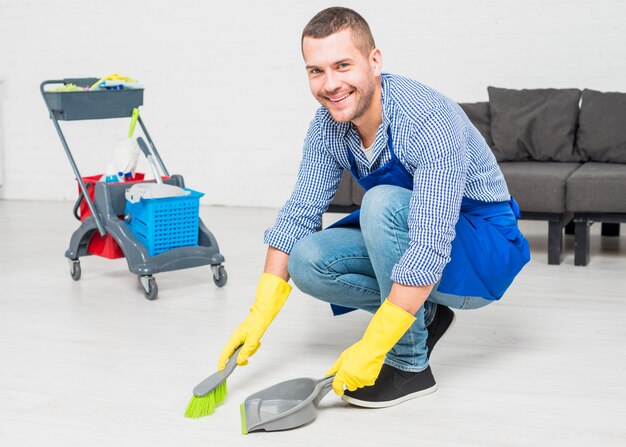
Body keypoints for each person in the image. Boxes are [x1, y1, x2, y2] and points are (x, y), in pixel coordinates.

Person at [217, 6, 530, 409]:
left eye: (342, 65)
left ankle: (409, 364)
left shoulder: (426, 120)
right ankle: (424, 317)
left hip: (481, 243)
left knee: (380, 203)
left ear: (374, 61)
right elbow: (298, 215)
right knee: (307, 260)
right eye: (316, 71)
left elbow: (430, 242)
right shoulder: (327, 126)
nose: (330, 84)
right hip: (411, 230)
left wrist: (375, 342)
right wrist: (258, 314)